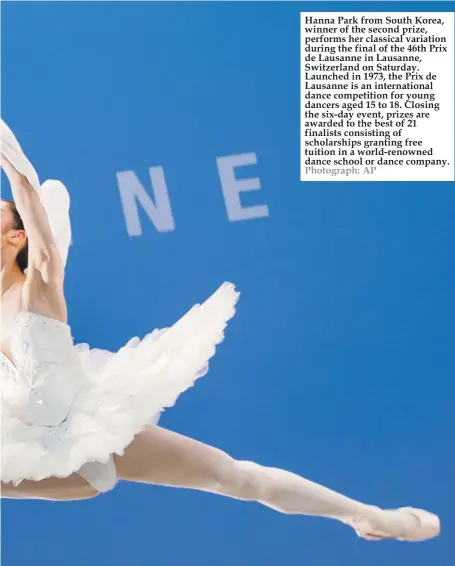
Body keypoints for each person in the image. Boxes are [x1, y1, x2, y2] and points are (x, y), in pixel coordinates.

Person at [0, 118, 440, 543]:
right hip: (30, 454)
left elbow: (27, 192)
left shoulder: (37, 288)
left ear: (18, 237)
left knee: (234, 476)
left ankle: (373, 517)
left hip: (87, 429)